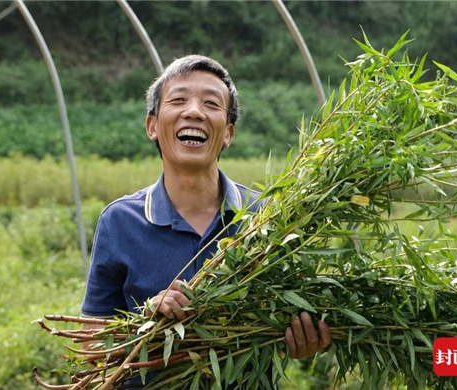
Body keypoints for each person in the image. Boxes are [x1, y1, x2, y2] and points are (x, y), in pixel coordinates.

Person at [81, 55, 331, 376]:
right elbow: (91, 346)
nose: (195, 112)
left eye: (211, 104)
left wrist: (308, 340)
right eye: (178, 100)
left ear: (228, 134)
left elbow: (299, 313)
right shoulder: (119, 221)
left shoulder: (268, 216)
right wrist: (148, 321)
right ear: (152, 126)